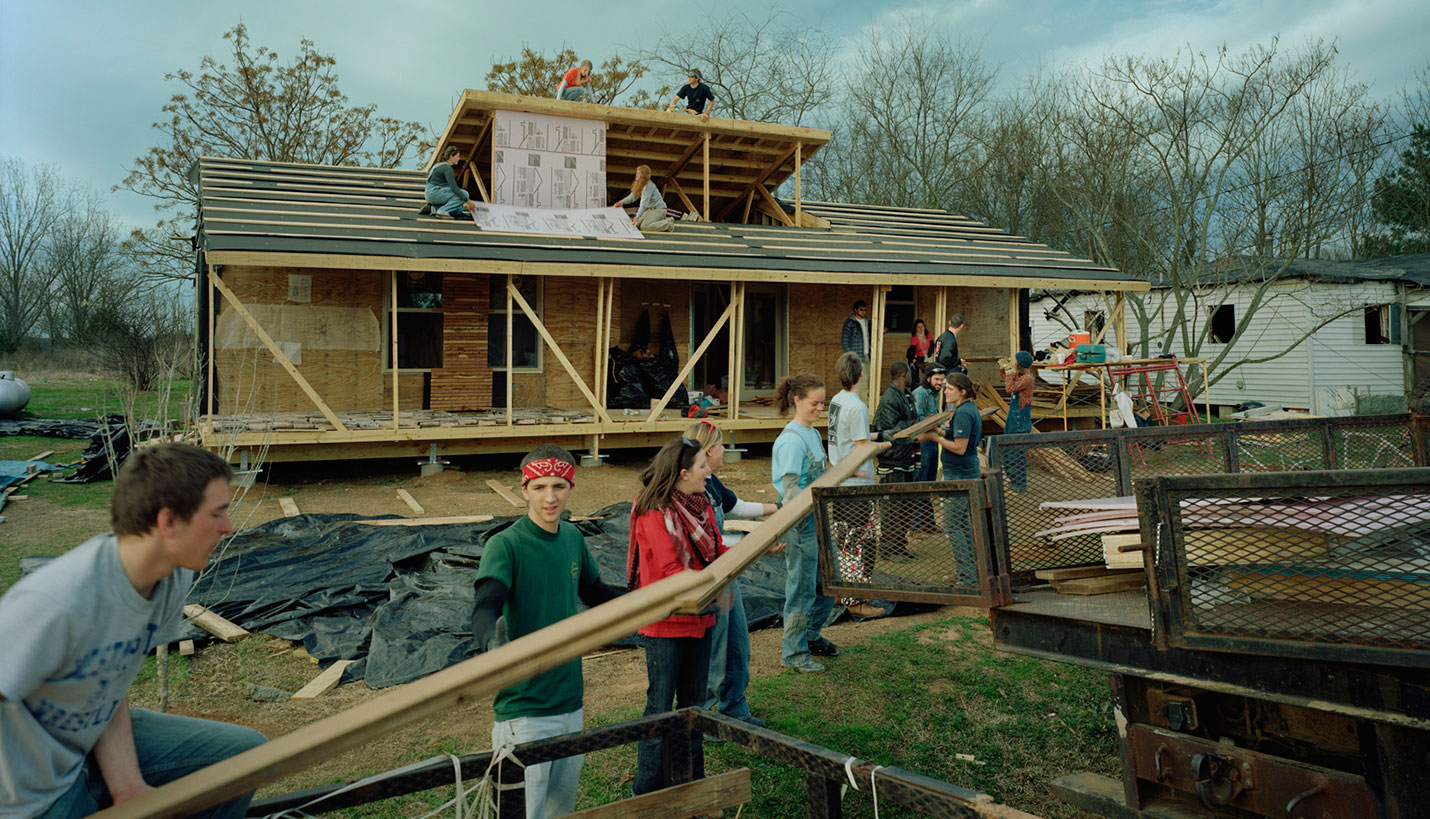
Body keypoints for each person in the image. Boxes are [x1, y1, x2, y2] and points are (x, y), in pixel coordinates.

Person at [0, 443, 266, 818]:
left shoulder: (171, 575)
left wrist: (127, 786)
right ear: (168, 522)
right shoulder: (55, 603)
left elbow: (108, 684)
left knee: (243, 756)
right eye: (217, 513)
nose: (228, 527)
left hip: (83, 751)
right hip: (29, 801)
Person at [472, 445, 619, 819]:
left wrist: (659, 598)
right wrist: (490, 642)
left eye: (558, 486)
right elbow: (487, 602)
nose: (550, 497)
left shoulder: (572, 539)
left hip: (571, 701)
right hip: (526, 710)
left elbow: (598, 595)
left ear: (571, 487)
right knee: (522, 813)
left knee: (559, 810)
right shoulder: (506, 545)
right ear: (523, 490)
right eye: (539, 487)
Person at [627, 438, 720, 795]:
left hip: (701, 618)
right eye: (702, 466)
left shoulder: (701, 504)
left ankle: (689, 788)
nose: (708, 471)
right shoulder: (653, 510)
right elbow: (668, 569)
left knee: (694, 708)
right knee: (661, 708)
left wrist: (749, 546)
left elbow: (715, 547)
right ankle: (647, 794)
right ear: (683, 473)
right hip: (665, 624)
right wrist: (714, 578)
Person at [683, 420, 778, 729]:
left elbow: (735, 506)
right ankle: (707, 716)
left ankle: (734, 706)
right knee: (713, 651)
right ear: (709, 450)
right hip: (708, 582)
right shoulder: (688, 488)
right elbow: (708, 545)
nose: (725, 450)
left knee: (737, 644)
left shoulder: (711, 482)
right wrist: (756, 544)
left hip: (728, 576)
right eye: (722, 444)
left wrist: (776, 507)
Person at [771, 373, 837, 672]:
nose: (819, 408)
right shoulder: (791, 441)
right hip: (800, 522)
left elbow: (820, 475)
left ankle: (811, 636)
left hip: (817, 515)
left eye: (822, 403)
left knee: (827, 580)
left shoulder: (811, 433)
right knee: (802, 589)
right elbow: (790, 489)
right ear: (796, 400)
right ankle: (794, 654)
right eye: (814, 403)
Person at [824, 354, 884, 618]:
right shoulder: (857, 407)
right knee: (861, 541)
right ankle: (856, 599)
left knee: (843, 539)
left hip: (839, 478)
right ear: (861, 375)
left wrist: (879, 435)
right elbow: (861, 448)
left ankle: (841, 591)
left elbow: (849, 438)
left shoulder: (837, 401)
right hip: (857, 483)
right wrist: (884, 445)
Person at [921, 372, 982, 585]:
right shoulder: (962, 409)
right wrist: (938, 429)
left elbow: (959, 447)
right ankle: (969, 572)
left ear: (962, 391)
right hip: (961, 471)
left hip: (960, 474)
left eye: (949, 389)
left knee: (953, 525)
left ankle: (968, 578)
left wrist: (933, 437)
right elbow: (954, 436)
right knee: (962, 525)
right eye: (945, 388)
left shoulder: (964, 413)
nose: (945, 392)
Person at [870, 361, 919, 562]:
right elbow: (891, 432)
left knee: (905, 506)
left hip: (907, 458)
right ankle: (889, 549)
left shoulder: (906, 395)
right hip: (893, 462)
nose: (911, 377)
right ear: (902, 375)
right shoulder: (890, 399)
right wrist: (912, 426)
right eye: (909, 374)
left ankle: (900, 545)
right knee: (892, 507)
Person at [1001, 351, 1036, 493]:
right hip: (1013, 419)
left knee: (1016, 453)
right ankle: (1013, 482)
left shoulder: (1028, 378)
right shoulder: (1021, 375)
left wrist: (1010, 371)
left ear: (1019, 364)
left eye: (1015, 361)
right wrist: (1004, 370)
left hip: (1020, 420)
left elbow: (1009, 388)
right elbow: (1007, 380)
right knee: (1008, 451)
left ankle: (1020, 485)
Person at [612, 164, 674, 232]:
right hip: (650, 210)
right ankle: (660, 221)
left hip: (659, 210)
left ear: (643, 175)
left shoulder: (648, 187)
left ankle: (668, 224)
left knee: (645, 227)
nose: (636, 175)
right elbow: (632, 197)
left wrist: (637, 216)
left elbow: (643, 204)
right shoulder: (641, 184)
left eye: (638, 173)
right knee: (637, 225)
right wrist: (621, 202)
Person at [424, 146, 475, 219]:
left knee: (458, 210)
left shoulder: (439, 165)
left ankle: (433, 208)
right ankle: (442, 211)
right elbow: (454, 188)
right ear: (451, 156)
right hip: (434, 193)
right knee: (465, 194)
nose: (459, 158)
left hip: (431, 195)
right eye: (457, 156)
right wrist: (468, 201)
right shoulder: (447, 168)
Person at [841, 301, 870, 396]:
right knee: (859, 380)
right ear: (855, 310)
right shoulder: (850, 323)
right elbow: (845, 341)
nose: (863, 312)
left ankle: (865, 402)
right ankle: (862, 402)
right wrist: (850, 356)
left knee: (866, 379)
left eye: (865, 310)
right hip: (856, 356)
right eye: (861, 309)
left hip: (866, 355)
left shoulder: (867, 321)